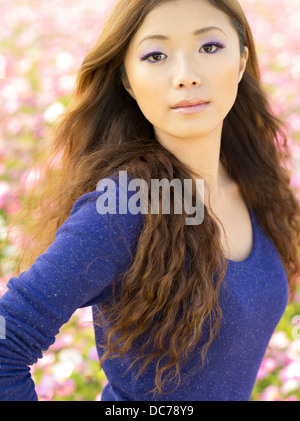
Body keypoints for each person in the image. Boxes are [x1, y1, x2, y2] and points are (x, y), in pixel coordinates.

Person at [0, 0, 299, 401]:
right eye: (155, 55)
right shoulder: (124, 205)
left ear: (242, 61)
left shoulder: (250, 178)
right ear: (126, 80)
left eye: (209, 47)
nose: (186, 76)